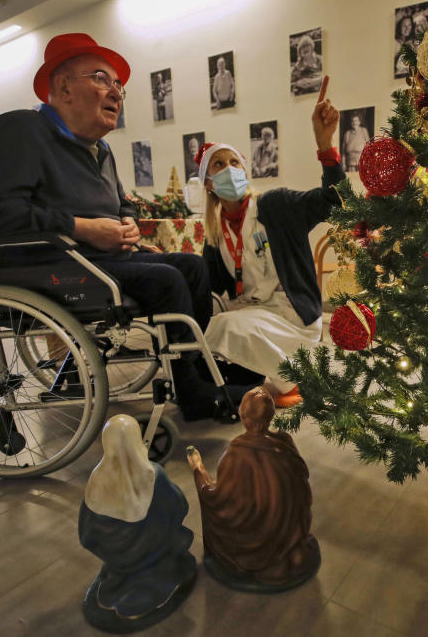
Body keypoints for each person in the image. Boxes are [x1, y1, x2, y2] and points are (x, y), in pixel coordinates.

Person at [0, 33, 220, 420]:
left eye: (119, 85)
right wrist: (82, 228)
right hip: (48, 265)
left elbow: (121, 204)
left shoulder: (101, 150)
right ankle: (192, 392)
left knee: (195, 266)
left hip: (95, 260)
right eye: (102, 78)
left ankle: (201, 374)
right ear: (63, 87)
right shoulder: (20, 130)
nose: (117, 92)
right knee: (167, 279)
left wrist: (128, 226)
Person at [197, 76, 342, 408]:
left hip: (292, 316)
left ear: (245, 172)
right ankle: (284, 377)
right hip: (256, 318)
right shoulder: (215, 234)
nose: (228, 170)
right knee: (213, 325)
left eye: (234, 163)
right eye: (218, 165)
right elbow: (210, 290)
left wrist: (325, 144)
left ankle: (300, 379)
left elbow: (335, 201)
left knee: (223, 328)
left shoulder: (275, 206)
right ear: (208, 183)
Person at [186, 388, 319, 590]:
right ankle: (287, 551)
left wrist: (199, 470)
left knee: (215, 512)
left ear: (243, 415)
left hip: (254, 537)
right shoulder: (284, 441)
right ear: (272, 414)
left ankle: (261, 558)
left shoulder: (235, 454)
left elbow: (220, 500)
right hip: (290, 529)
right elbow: (300, 484)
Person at [80, 415, 197, 629]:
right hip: (149, 550)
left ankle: (117, 582)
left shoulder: (96, 478)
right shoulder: (153, 474)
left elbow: (86, 532)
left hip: (113, 554)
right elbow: (179, 506)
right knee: (174, 538)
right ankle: (144, 586)